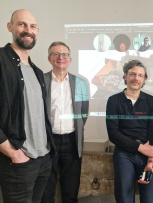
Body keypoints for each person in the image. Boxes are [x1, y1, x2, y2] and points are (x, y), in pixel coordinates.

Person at [0, 9, 56, 203]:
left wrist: (47, 155)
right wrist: (11, 151)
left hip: (43, 159)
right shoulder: (1, 61)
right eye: (21, 24)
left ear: (37, 31)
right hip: (18, 161)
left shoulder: (38, 72)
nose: (28, 30)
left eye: (32, 26)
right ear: (10, 27)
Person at [41, 41, 89, 203]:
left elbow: (84, 113)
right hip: (47, 141)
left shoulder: (81, 83)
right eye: (56, 54)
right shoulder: (41, 81)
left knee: (70, 190)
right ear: (49, 59)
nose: (61, 57)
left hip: (72, 141)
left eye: (65, 55)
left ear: (70, 59)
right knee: (46, 191)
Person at [106, 60, 153, 203]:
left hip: (147, 155)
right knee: (124, 198)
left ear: (144, 79)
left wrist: (151, 161)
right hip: (123, 154)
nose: (136, 78)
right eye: (132, 74)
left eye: (140, 75)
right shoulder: (113, 101)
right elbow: (113, 134)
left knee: (151, 199)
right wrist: (140, 148)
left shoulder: (152, 101)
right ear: (125, 76)